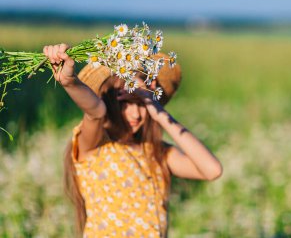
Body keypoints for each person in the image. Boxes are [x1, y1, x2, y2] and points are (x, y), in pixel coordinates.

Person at [43, 43, 223, 238]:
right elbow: (95, 111)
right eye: (126, 103)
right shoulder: (96, 146)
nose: (136, 113)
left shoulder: (157, 152)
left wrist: (159, 112)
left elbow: (212, 170)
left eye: (141, 104)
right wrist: (69, 82)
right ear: (108, 100)